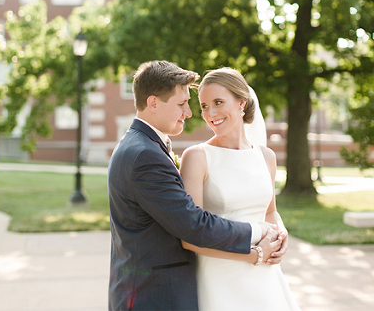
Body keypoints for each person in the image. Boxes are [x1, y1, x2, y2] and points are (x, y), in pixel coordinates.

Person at [108, 60, 281, 311]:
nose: (189, 113)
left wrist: (276, 236)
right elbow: (193, 225)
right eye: (182, 104)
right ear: (153, 103)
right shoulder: (144, 155)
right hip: (154, 296)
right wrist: (258, 237)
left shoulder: (144, 146)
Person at [180, 67, 300, 311]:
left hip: (265, 275)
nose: (210, 113)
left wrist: (282, 234)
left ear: (241, 104)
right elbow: (189, 237)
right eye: (204, 106)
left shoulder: (266, 157)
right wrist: (254, 254)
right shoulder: (197, 157)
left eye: (218, 102)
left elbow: (270, 212)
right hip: (219, 278)